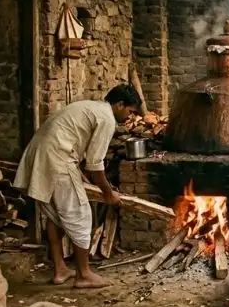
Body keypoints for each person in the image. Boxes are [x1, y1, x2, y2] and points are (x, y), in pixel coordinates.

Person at [14, 85, 142, 288]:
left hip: (41, 155)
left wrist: (85, 180)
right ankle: (83, 274)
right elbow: (95, 163)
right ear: (119, 105)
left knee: (55, 217)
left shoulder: (90, 107)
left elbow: (81, 156)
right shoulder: (107, 119)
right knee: (81, 215)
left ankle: (60, 270)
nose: (129, 116)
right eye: (130, 111)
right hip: (57, 159)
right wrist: (108, 193)